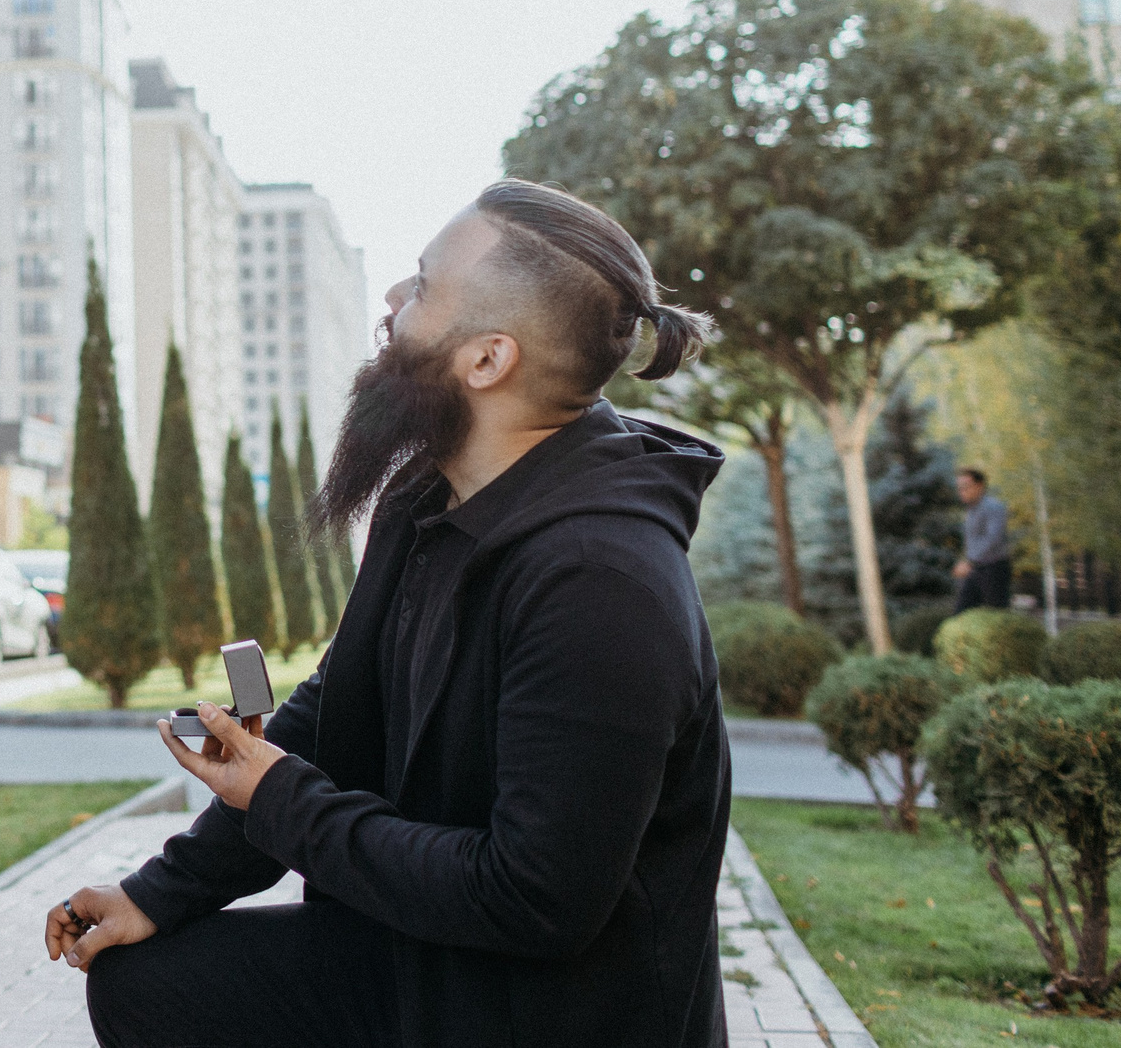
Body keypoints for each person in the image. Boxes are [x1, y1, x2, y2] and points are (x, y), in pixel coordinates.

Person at [46, 181, 732, 1048]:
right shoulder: (425, 497)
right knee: (150, 979)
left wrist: (283, 798)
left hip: (551, 1008)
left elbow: (533, 899)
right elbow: (334, 713)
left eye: (422, 285)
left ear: (488, 359)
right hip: (428, 955)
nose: (392, 301)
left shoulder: (604, 586)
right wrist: (160, 889)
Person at [951, 467, 1012, 613]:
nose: (961, 491)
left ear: (980, 486)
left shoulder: (993, 507)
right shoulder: (971, 511)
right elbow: (972, 543)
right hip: (976, 569)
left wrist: (969, 562)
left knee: (995, 615)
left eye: (965, 487)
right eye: (959, 488)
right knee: (961, 613)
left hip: (994, 569)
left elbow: (993, 539)